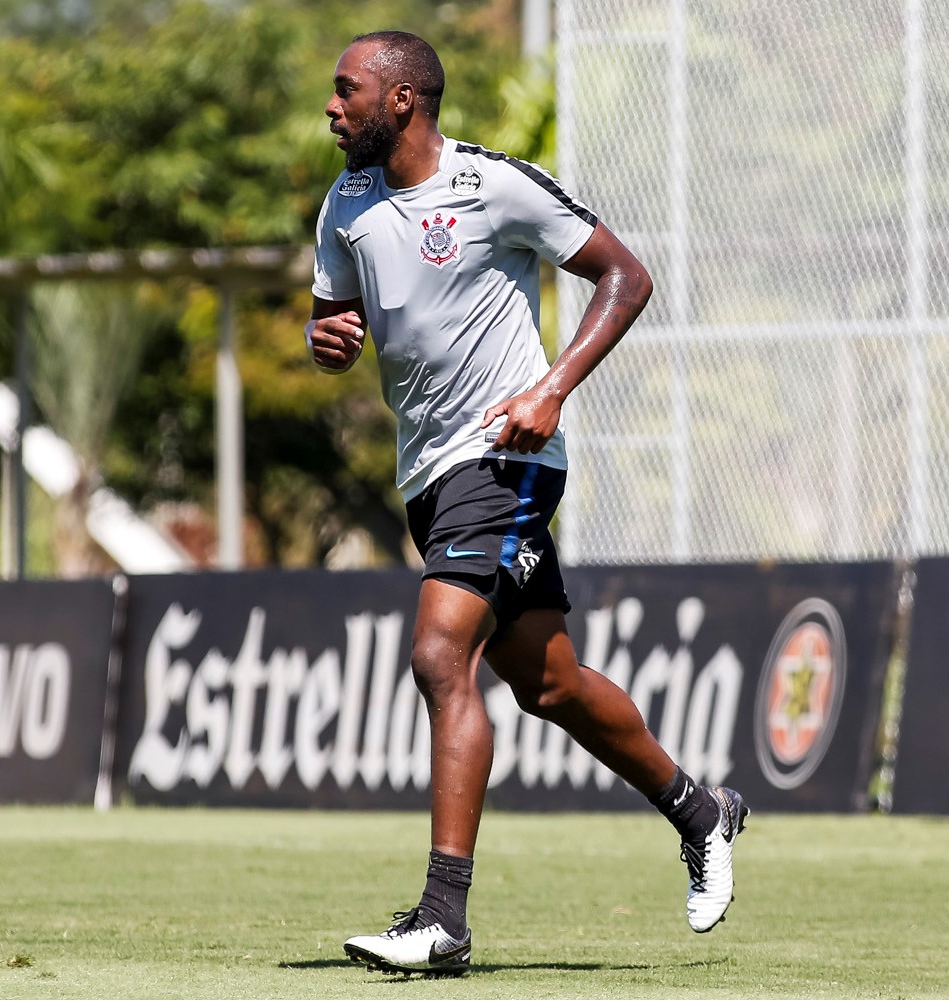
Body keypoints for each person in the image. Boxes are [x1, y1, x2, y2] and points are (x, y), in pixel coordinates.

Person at [308, 30, 747, 978]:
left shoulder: (493, 186)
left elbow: (626, 277)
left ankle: (443, 918)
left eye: (347, 92)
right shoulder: (344, 203)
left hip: (504, 458)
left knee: (438, 654)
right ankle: (702, 811)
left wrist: (552, 389)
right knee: (548, 684)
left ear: (404, 102)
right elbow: (332, 313)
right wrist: (328, 338)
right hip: (427, 475)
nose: (331, 108)